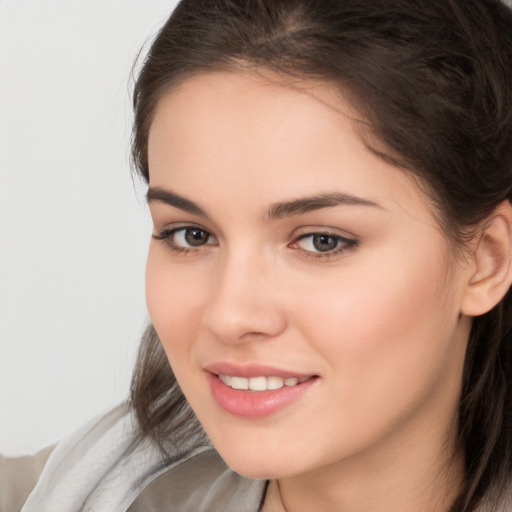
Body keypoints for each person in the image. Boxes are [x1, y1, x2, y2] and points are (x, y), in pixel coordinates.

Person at [20, 0, 512, 511]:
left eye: (322, 240)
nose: (229, 316)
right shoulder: (96, 488)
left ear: (487, 261)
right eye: (191, 235)